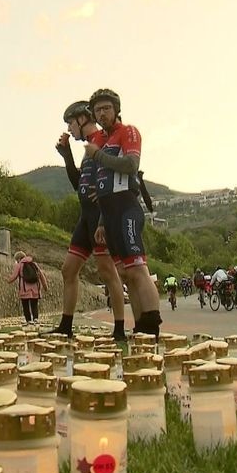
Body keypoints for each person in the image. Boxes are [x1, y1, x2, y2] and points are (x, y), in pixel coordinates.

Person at [47, 100, 129, 340]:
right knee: (68, 270)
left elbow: (118, 171)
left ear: (83, 119)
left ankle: (120, 329)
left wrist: (106, 198)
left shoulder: (102, 141)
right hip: (85, 216)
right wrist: (67, 156)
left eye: (71, 123)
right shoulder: (89, 147)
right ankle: (66, 326)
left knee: (107, 271)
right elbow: (78, 185)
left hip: (99, 216)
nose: (69, 129)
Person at [85, 88, 162, 338]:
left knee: (138, 268)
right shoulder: (101, 140)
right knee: (125, 273)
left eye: (107, 108)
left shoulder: (127, 131)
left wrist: (98, 155)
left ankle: (152, 327)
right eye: (98, 110)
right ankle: (140, 329)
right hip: (108, 213)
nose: (102, 113)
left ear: (116, 109)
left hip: (127, 207)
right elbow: (102, 187)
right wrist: (100, 222)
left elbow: (131, 165)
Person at [6, 250, 49, 325]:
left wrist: (8, 280)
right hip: (35, 289)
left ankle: (28, 321)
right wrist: (45, 286)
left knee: (25, 305)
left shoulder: (19, 265)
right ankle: (35, 319)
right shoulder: (34, 264)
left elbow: (14, 276)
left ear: (18, 259)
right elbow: (41, 275)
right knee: (34, 305)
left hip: (24, 289)